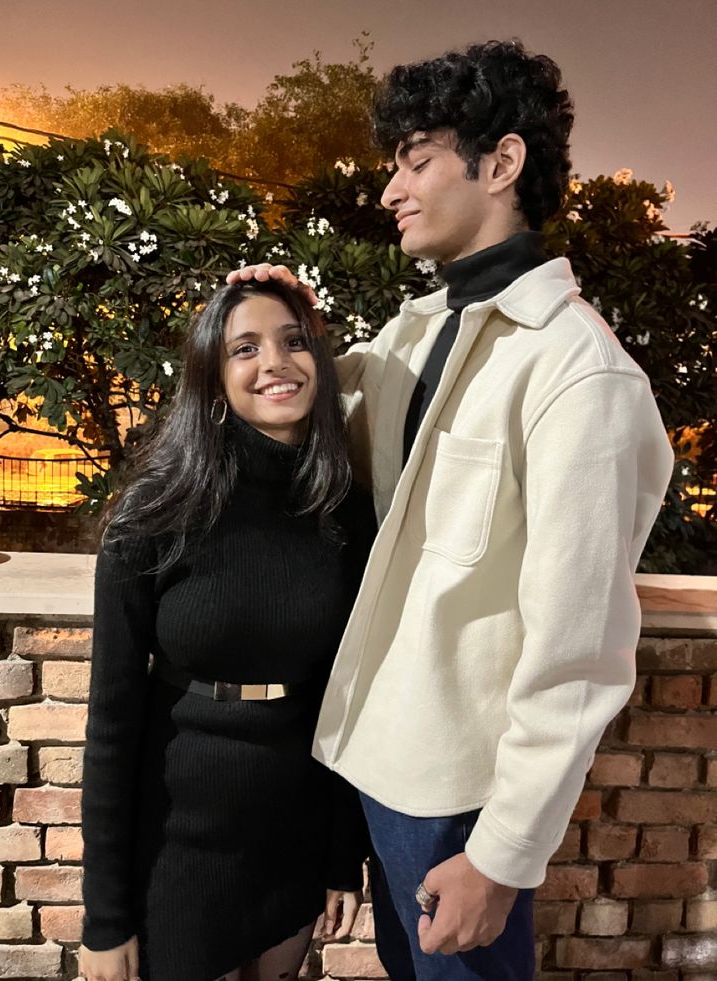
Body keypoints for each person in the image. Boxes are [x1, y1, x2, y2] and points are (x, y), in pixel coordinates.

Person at [227, 39, 674, 981]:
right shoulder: (418, 327)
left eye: (417, 159)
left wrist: (504, 854)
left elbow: (580, 653)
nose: (391, 188)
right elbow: (305, 411)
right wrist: (281, 325)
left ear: (501, 164)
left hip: (464, 803)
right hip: (373, 759)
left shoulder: (579, 374)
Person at [78, 280, 374, 981]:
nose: (275, 361)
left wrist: (341, 855)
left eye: (294, 341)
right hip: (177, 843)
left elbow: (348, 691)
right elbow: (111, 724)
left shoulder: (344, 509)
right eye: (246, 347)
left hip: (290, 830)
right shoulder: (156, 510)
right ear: (213, 377)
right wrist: (104, 917)